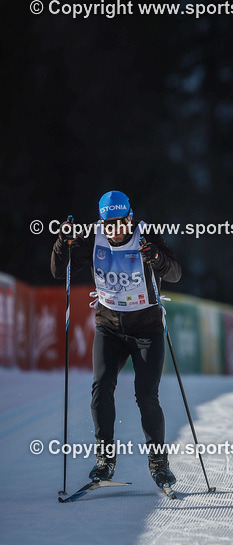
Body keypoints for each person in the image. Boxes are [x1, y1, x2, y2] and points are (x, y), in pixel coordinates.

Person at [51, 190, 181, 489]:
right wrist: (62, 242)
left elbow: (174, 274)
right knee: (101, 387)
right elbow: (60, 271)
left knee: (146, 396)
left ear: (130, 218)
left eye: (120, 223)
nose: (114, 230)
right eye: (109, 224)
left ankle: (159, 464)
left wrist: (157, 259)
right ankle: (105, 460)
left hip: (146, 329)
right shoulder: (92, 236)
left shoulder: (146, 235)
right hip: (109, 327)